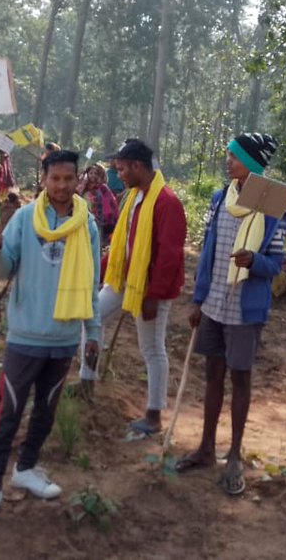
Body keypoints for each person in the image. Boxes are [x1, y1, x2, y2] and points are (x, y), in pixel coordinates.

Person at [0, 149, 102, 535]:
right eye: (55, 179)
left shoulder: (86, 225)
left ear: (78, 181)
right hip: (24, 337)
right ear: (43, 179)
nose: (61, 186)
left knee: (45, 412)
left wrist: (92, 333)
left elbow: (91, 284)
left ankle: (26, 468)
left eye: (68, 179)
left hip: (62, 339)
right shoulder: (25, 218)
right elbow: (5, 266)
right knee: (8, 413)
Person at [178, 133, 286, 496]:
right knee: (212, 374)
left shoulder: (275, 209)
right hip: (214, 304)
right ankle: (206, 448)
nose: (228, 162)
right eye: (228, 155)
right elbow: (208, 249)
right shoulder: (219, 198)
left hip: (245, 307)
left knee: (240, 378)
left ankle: (235, 455)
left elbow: (277, 264)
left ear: (254, 163)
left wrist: (254, 261)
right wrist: (198, 298)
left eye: (235, 157)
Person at [93, 139, 186, 434]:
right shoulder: (133, 197)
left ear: (137, 166)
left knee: (152, 349)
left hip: (149, 290)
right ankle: (89, 381)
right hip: (123, 280)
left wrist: (154, 296)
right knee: (90, 317)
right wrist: (101, 272)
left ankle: (154, 415)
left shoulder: (166, 201)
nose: (117, 174)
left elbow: (170, 255)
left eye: (120, 169)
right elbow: (123, 245)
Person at [77, 162, 119, 246]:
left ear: (100, 175)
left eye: (96, 173)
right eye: (91, 173)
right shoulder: (83, 188)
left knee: (96, 242)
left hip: (99, 221)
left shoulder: (103, 189)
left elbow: (111, 204)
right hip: (83, 221)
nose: (93, 175)